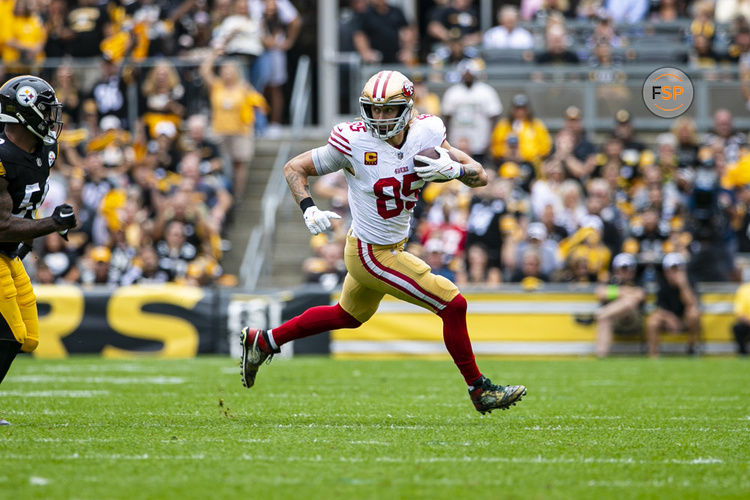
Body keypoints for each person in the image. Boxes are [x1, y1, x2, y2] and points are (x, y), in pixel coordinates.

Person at [239, 70, 526, 414]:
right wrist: (308, 207)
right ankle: (479, 390)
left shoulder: (428, 133)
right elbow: (293, 168)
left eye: (388, 110)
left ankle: (264, 341)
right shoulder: (353, 142)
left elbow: (481, 177)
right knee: (453, 304)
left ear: (406, 108)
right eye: (373, 109)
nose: (379, 117)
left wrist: (456, 171)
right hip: (370, 252)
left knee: (347, 315)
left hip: (388, 246)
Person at [0, 75, 77, 425]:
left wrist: (30, 237)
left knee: (28, 337)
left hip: (9, 253)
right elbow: (1, 224)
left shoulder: (45, 148)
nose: (51, 119)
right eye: (45, 111)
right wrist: (52, 225)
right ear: (24, 112)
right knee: (10, 334)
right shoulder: (2, 156)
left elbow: (25, 205)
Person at [440, 59, 502, 165]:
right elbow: (446, 117)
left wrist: (490, 139)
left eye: (470, 73)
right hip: (457, 141)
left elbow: (494, 116)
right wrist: (447, 139)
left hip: (480, 141)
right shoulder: (453, 92)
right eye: (465, 73)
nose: (468, 75)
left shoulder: (486, 91)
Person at [645, 253, 701, 357]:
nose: (674, 273)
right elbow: (659, 308)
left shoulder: (690, 281)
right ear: (666, 271)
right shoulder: (662, 283)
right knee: (653, 321)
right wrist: (670, 318)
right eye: (671, 269)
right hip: (668, 318)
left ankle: (692, 348)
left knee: (694, 313)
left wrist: (683, 285)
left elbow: (691, 303)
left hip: (684, 318)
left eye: (677, 269)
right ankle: (653, 355)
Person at [594, 253, 645, 358]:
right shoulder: (611, 282)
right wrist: (625, 291)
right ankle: (601, 355)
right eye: (621, 269)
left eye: (626, 269)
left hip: (634, 319)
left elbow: (640, 295)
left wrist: (616, 293)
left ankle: (602, 313)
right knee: (605, 319)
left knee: (629, 302)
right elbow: (600, 293)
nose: (623, 272)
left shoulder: (638, 281)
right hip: (615, 319)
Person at [732, 280, 750, 356]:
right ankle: (743, 353)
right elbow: (739, 312)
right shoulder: (743, 289)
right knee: (738, 328)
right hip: (746, 323)